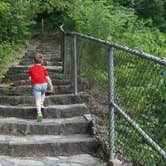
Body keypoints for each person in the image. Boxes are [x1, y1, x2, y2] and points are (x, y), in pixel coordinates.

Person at [28, 53, 53, 122]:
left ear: (33, 61)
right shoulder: (43, 68)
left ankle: (39, 113)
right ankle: (42, 104)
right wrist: (51, 86)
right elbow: (48, 78)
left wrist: (33, 82)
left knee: (37, 99)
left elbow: (30, 78)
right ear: (42, 61)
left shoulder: (31, 69)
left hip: (36, 85)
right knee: (43, 93)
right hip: (44, 84)